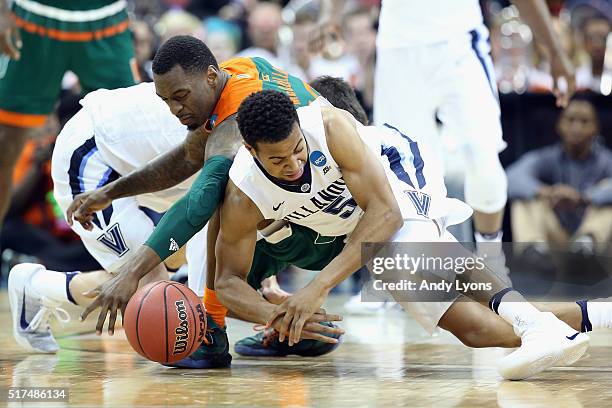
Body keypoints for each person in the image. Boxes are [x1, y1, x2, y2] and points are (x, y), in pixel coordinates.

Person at [213, 89, 595, 381]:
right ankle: (586, 317)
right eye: (279, 161)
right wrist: (275, 314)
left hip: (395, 173)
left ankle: (534, 323)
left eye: (298, 150)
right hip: (360, 226)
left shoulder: (328, 127)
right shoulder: (244, 192)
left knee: (412, 251)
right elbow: (226, 281)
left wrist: (318, 286)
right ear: (251, 150)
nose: (295, 165)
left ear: (300, 127)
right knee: (474, 330)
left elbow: (387, 213)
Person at [313, 0, 576, 279]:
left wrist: (556, 52)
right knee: (400, 171)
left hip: (458, 40)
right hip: (398, 47)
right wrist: (329, 14)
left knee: (483, 156)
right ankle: (402, 278)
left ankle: (493, 262)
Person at [0, 0, 139, 229]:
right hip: (32, 16)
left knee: (133, 139)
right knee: (5, 144)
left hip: (105, 18)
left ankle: (156, 248)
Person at [508, 96, 612, 248]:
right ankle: (534, 251)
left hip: (596, 244)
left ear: (596, 127)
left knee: (608, 197)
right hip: (556, 239)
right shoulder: (548, 156)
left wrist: (583, 198)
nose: (577, 128)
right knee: (525, 199)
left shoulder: (606, 159)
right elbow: (512, 176)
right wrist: (547, 192)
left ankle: (585, 247)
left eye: (584, 122)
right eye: (570, 120)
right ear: (559, 125)